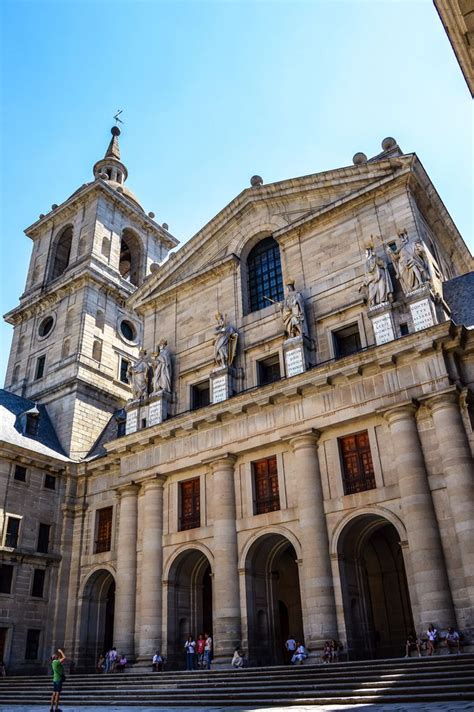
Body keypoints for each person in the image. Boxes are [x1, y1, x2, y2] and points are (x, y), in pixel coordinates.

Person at [50, 648, 66, 712]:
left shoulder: (53, 663)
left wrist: (59, 655)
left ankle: (51, 708)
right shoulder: (56, 662)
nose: (55, 654)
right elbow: (64, 658)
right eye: (54, 655)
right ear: (53, 658)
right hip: (58, 679)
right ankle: (56, 708)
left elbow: (60, 659)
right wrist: (61, 651)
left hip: (55, 679)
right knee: (57, 694)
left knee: (54, 693)